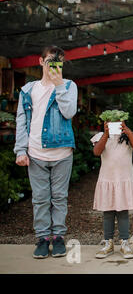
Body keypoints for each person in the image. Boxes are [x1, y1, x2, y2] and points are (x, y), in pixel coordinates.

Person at [14, 45, 77, 259]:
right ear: (41, 61)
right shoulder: (27, 90)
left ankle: (58, 238)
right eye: (50, 61)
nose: (53, 65)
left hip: (62, 154)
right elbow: (21, 122)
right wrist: (20, 150)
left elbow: (69, 113)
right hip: (35, 153)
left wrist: (59, 85)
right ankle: (42, 239)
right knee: (40, 199)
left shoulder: (69, 86)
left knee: (59, 198)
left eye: (58, 62)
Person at [90, 117, 133, 259]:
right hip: (107, 180)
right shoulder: (101, 137)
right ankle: (108, 243)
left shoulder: (128, 136)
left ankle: (125, 242)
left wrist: (127, 131)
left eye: (118, 121)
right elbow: (96, 152)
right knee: (108, 212)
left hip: (123, 180)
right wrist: (106, 134)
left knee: (123, 211)